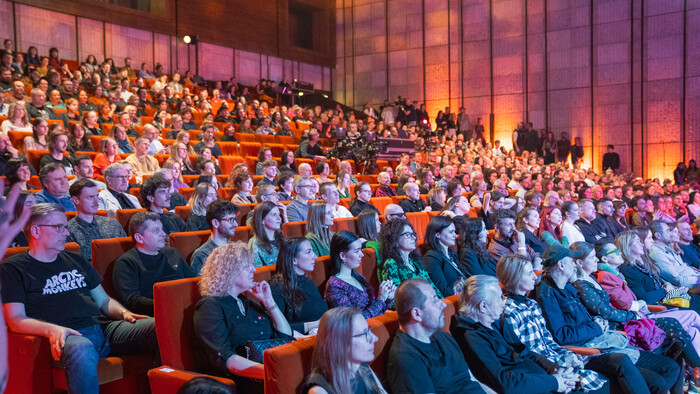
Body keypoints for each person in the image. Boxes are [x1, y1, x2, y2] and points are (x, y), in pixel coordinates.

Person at [0, 203, 157, 394]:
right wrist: (52, 330)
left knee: (160, 326)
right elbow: (15, 320)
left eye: (65, 227)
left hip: (104, 329)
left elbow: (104, 301)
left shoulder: (75, 259)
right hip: (66, 337)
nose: (66, 233)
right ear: (35, 231)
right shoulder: (12, 268)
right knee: (81, 347)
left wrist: (124, 313)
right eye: (59, 227)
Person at [536, 244, 683, 394]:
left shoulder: (567, 287)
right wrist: (597, 327)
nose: (574, 264)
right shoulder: (546, 294)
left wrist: (599, 326)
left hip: (602, 341)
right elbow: (561, 336)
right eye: (571, 261)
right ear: (561, 265)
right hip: (587, 352)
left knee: (670, 368)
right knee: (634, 368)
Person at [499, 255, 650, 393]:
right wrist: (557, 367)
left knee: (639, 376)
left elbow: (548, 341)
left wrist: (569, 355)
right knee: (622, 376)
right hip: (549, 370)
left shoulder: (531, 304)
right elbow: (528, 353)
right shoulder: (509, 311)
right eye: (529, 273)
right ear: (515, 277)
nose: (534, 276)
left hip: (564, 358)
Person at [453, 275, 584, 394]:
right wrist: (553, 383)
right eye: (499, 299)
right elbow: (503, 382)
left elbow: (525, 351)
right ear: (483, 307)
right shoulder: (471, 337)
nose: (503, 304)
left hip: (542, 380)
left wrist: (554, 370)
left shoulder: (496, 321)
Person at [193, 242, 293, 392]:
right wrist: (272, 373)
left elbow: (285, 336)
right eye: (247, 266)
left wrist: (269, 302)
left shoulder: (246, 302)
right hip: (242, 381)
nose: (253, 269)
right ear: (229, 271)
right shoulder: (210, 306)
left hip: (269, 374)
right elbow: (225, 358)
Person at [386, 279, 487, 394]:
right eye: (434, 301)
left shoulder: (443, 336)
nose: (443, 305)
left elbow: (472, 379)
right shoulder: (406, 358)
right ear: (417, 314)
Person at [113, 211, 195, 316]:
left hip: (185, 306)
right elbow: (132, 301)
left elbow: (192, 282)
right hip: (156, 313)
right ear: (139, 237)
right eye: (156, 231)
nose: (163, 234)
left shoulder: (172, 252)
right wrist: (170, 304)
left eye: (161, 229)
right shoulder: (126, 263)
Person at [303, 308, 387, 394]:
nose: (374, 338)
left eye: (369, 330)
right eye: (364, 333)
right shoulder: (319, 391)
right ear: (340, 343)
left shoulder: (362, 367)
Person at [324, 231, 394, 319]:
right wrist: (381, 299)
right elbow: (353, 320)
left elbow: (375, 311)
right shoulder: (335, 286)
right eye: (356, 251)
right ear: (342, 256)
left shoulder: (358, 277)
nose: (361, 254)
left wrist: (388, 298)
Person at [270, 237, 328, 335]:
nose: (315, 256)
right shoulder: (276, 286)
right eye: (308, 252)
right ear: (294, 260)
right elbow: (276, 326)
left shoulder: (309, 282)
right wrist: (315, 325)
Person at [379, 218, 443, 298]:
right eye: (407, 234)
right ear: (394, 239)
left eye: (413, 234)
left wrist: (443, 302)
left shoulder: (415, 261)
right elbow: (395, 299)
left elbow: (433, 287)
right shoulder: (391, 264)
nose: (413, 238)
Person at [66, 179, 126, 261]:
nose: (96, 202)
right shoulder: (67, 231)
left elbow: (126, 252)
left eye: (97, 196)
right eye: (90, 197)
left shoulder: (112, 224)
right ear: (76, 200)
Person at [191, 200, 239, 275]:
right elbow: (204, 285)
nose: (236, 224)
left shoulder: (237, 248)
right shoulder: (202, 255)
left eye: (235, 219)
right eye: (231, 220)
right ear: (215, 223)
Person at [422, 216, 465, 297]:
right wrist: (463, 283)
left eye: (454, 232)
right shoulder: (431, 259)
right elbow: (444, 292)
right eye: (451, 232)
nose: (455, 235)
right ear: (437, 234)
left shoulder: (452, 253)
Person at [249, 201, 284, 267]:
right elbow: (259, 273)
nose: (279, 218)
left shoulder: (283, 238)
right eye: (274, 215)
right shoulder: (255, 244)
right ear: (262, 220)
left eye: (279, 214)